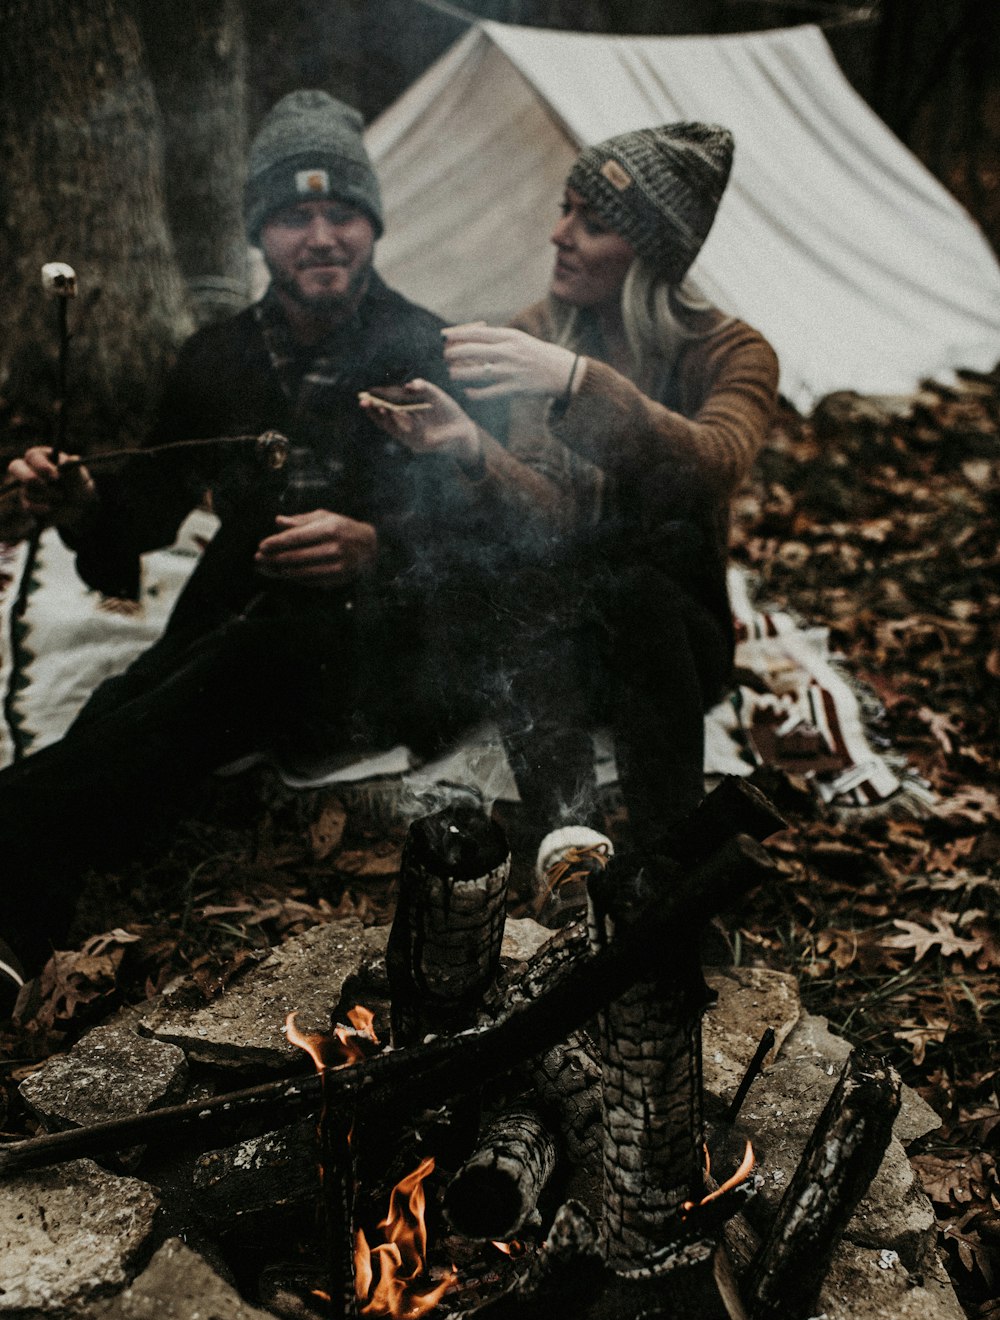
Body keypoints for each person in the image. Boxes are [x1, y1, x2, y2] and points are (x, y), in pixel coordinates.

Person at [0, 90, 497, 986]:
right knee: (133, 691)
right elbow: (140, 519)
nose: (321, 236)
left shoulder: (426, 349)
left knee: (234, 660)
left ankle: (13, 824)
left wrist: (378, 544)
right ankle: (21, 916)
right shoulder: (217, 357)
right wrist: (78, 503)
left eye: (341, 211)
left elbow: (493, 542)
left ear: (373, 226)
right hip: (245, 610)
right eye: (293, 215)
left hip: (385, 645)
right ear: (259, 234)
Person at [361, 123, 780, 916]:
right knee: (520, 566)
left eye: (592, 220)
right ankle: (568, 854)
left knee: (655, 560)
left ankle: (670, 880)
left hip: (675, 645)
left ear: (651, 253)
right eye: (565, 208)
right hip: (565, 641)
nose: (559, 234)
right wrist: (471, 448)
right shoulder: (533, 338)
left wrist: (577, 383)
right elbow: (551, 521)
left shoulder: (730, 352)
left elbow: (714, 463)